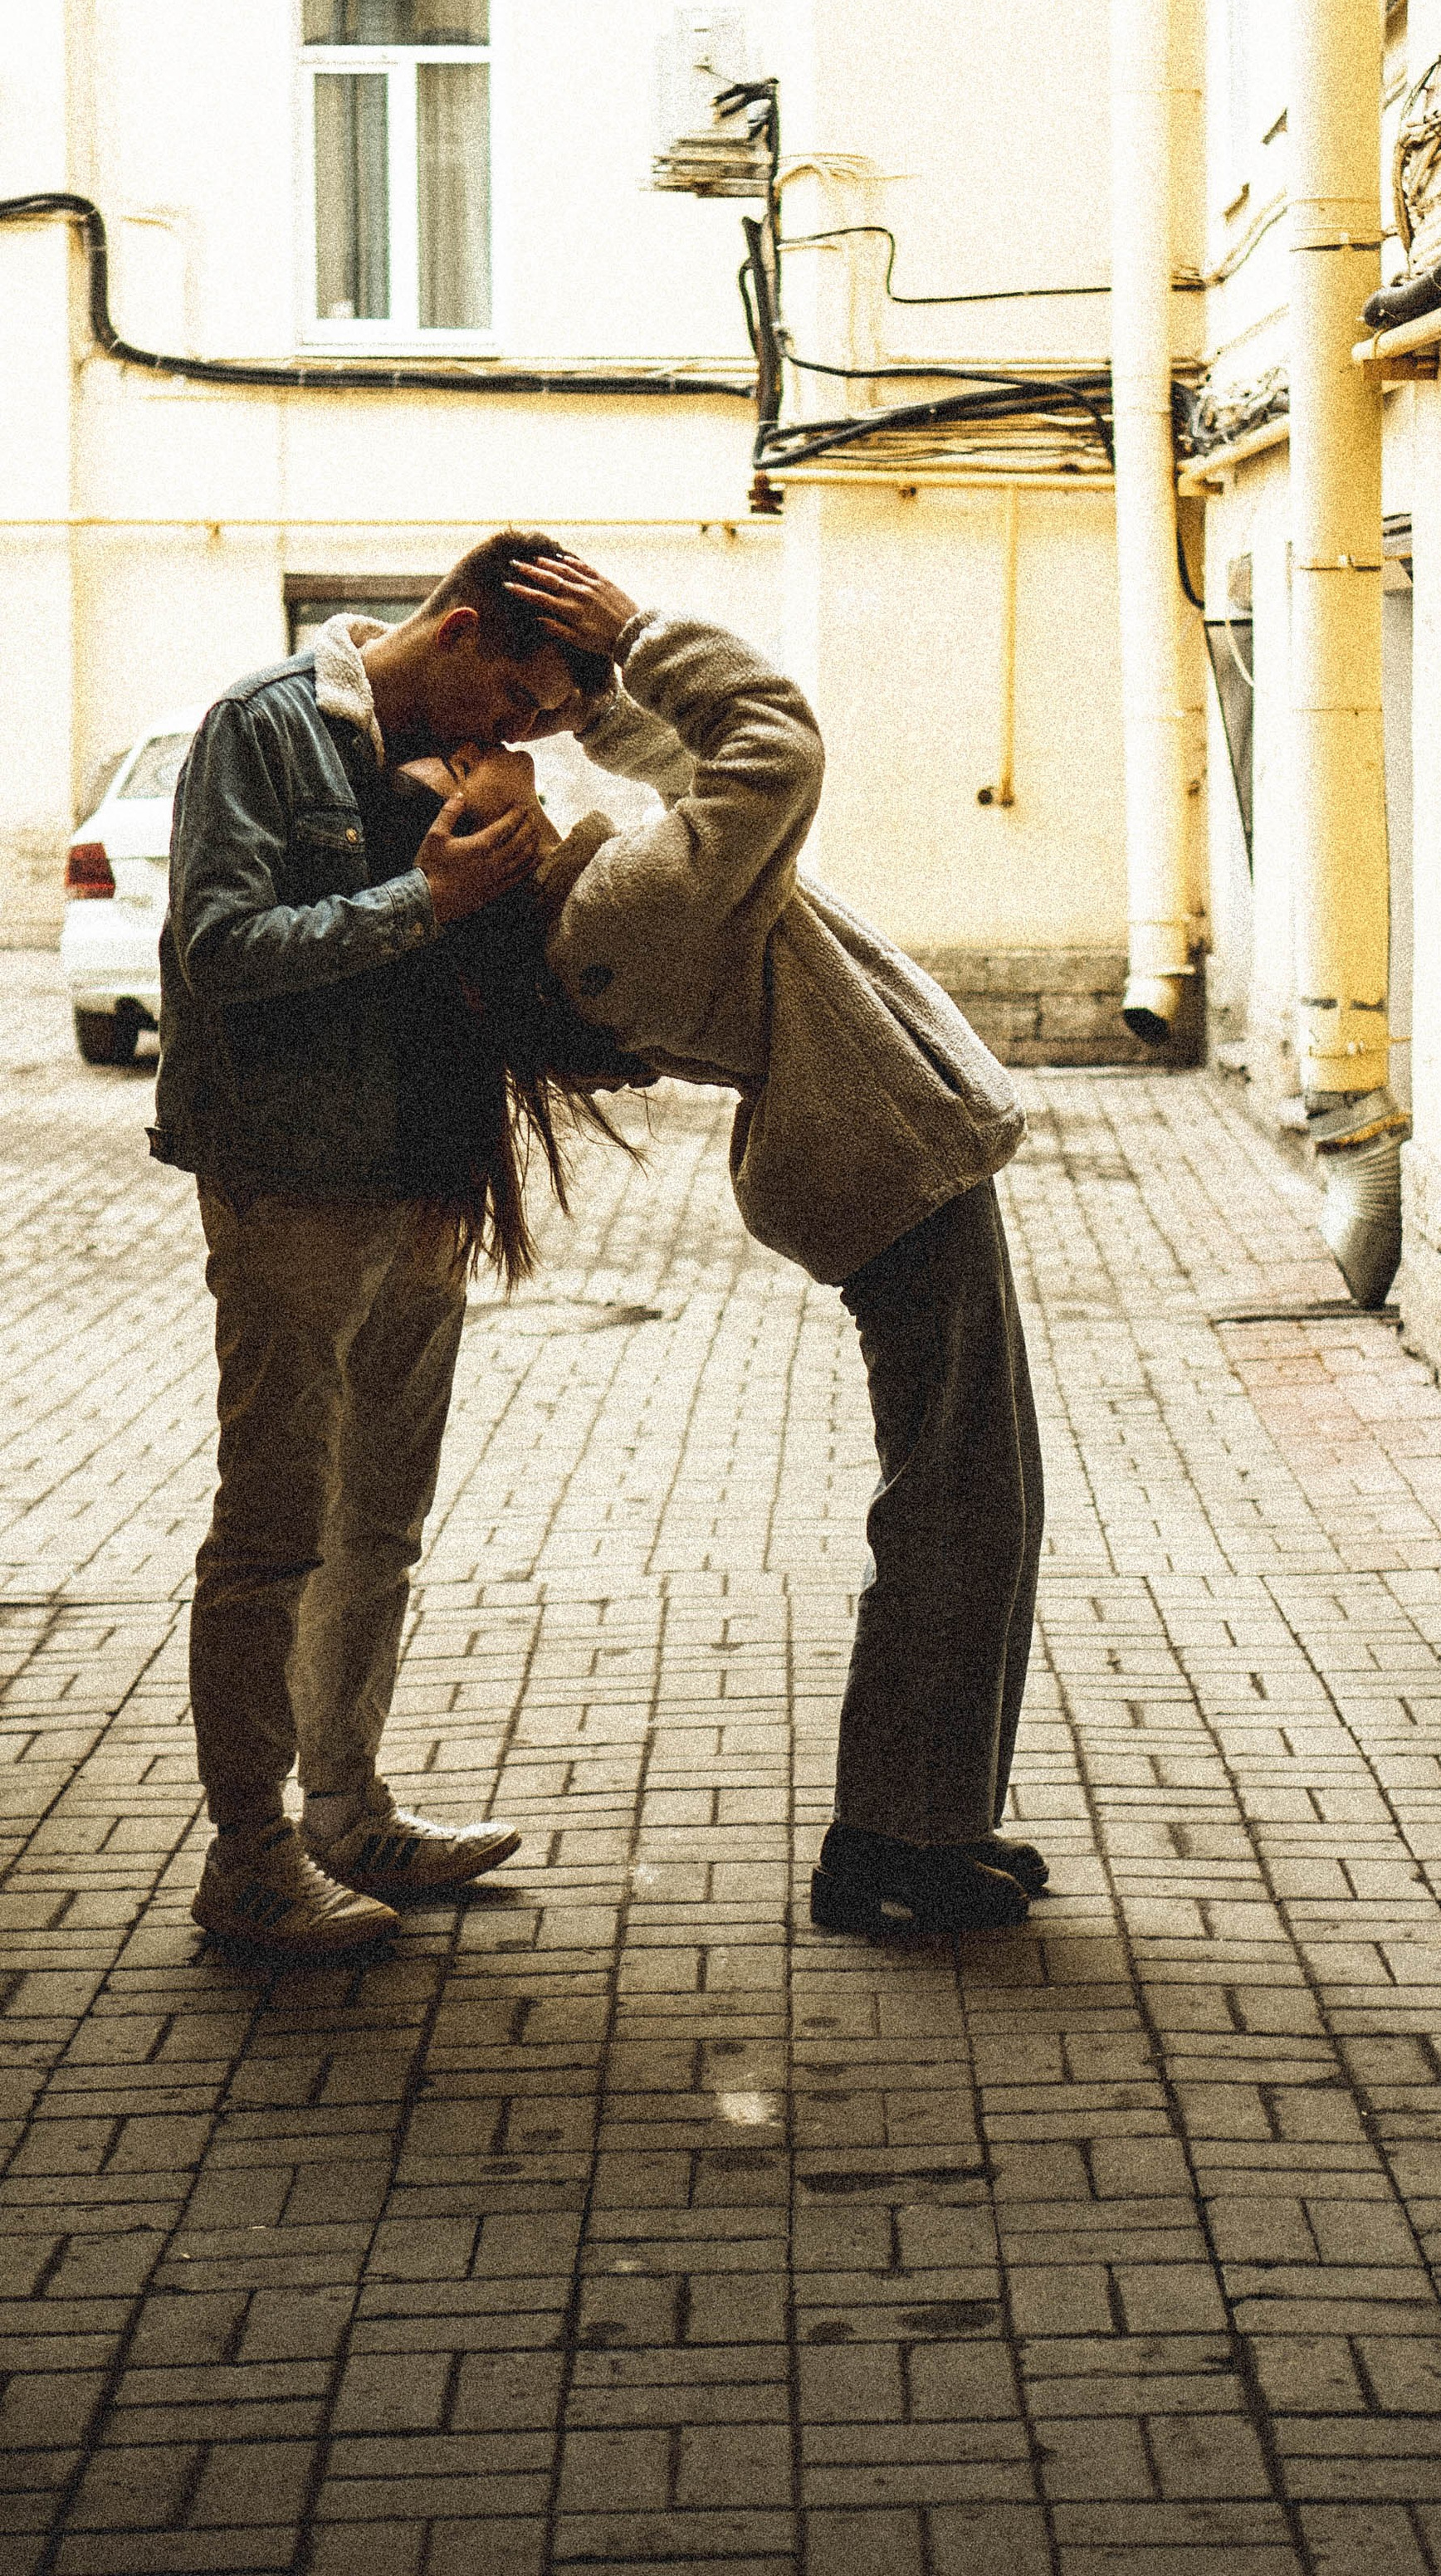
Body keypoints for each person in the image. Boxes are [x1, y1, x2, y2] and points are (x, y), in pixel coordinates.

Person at [412, 546, 1049, 1936]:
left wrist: (591, 703)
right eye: (461, 766)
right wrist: (639, 636)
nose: (488, 748)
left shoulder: (595, 904)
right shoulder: (619, 911)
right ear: (474, 841)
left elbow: (691, 784)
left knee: (981, 1499)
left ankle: (940, 1817)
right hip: (887, 1171)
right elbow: (771, 752)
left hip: (882, 1164)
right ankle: (889, 1841)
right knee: (955, 1505)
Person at [154, 532, 618, 1957]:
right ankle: (245, 1857)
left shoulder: (455, 764)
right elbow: (220, 951)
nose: (516, 737)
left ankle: (344, 1813)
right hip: (292, 1182)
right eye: (517, 704)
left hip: (424, 1182)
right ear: (463, 629)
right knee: (272, 1529)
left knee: (379, 1526)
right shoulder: (263, 728)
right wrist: (432, 899)